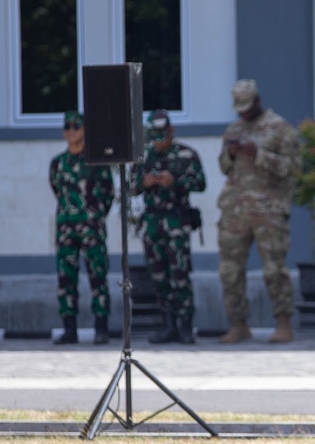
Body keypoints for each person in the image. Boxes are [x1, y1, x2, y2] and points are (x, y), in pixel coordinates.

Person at [217, 79, 302, 344]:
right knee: (229, 271)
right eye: (239, 109)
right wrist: (231, 154)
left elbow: (295, 168)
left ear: (257, 100)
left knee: (274, 270)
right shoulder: (234, 128)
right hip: (235, 210)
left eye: (247, 107)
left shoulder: (280, 128)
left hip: (269, 211)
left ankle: (283, 324)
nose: (243, 113)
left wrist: (258, 154)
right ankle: (238, 324)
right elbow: (223, 167)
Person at [129, 110, 207, 344]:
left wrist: (175, 181)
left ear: (171, 131)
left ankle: (185, 325)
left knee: (180, 273)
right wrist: (144, 182)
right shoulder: (142, 156)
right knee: (159, 275)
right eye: (154, 136)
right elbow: (131, 187)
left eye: (162, 135)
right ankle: (168, 324)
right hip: (153, 222)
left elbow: (201, 183)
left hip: (177, 220)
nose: (158, 141)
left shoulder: (186, 154)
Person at [49, 110, 115, 345]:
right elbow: (57, 191)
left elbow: (108, 194)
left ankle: (101, 328)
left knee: (98, 277)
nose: (71, 131)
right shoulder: (57, 163)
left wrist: (94, 216)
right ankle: (69, 329)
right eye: (67, 127)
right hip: (66, 229)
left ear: (85, 130)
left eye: (76, 126)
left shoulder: (96, 161)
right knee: (66, 280)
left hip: (92, 228)